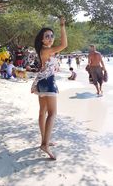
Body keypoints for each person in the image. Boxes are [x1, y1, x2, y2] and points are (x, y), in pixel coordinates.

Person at [31, 17, 67, 160]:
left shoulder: (44, 50)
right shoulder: (47, 51)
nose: (51, 38)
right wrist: (62, 25)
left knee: (43, 113)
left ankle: (44, 141)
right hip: (48, 81)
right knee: (52, 113)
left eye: (52, 36)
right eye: (47, 36)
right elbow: (64, 44)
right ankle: (45, 144)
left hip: (41, 81)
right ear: (42, 40)